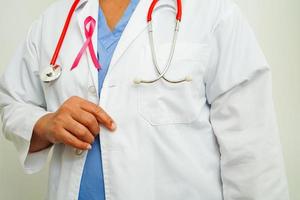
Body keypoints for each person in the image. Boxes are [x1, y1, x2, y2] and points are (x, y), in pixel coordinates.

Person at [0, 0, 290, 199]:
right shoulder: (54, 22)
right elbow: (11, 103)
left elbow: (254, 156)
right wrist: (45, 124)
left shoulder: (213, 14)